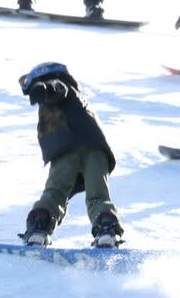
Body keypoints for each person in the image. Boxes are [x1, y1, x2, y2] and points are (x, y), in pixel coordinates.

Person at [17, 62, 124, 248]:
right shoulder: (79, 99)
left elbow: (58, 89)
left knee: (55, 193)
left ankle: (38, 229)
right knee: (98, 196)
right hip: (97, 151)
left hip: (66, 151)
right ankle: (107, 230)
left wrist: (44, 88)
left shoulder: (59, 88)